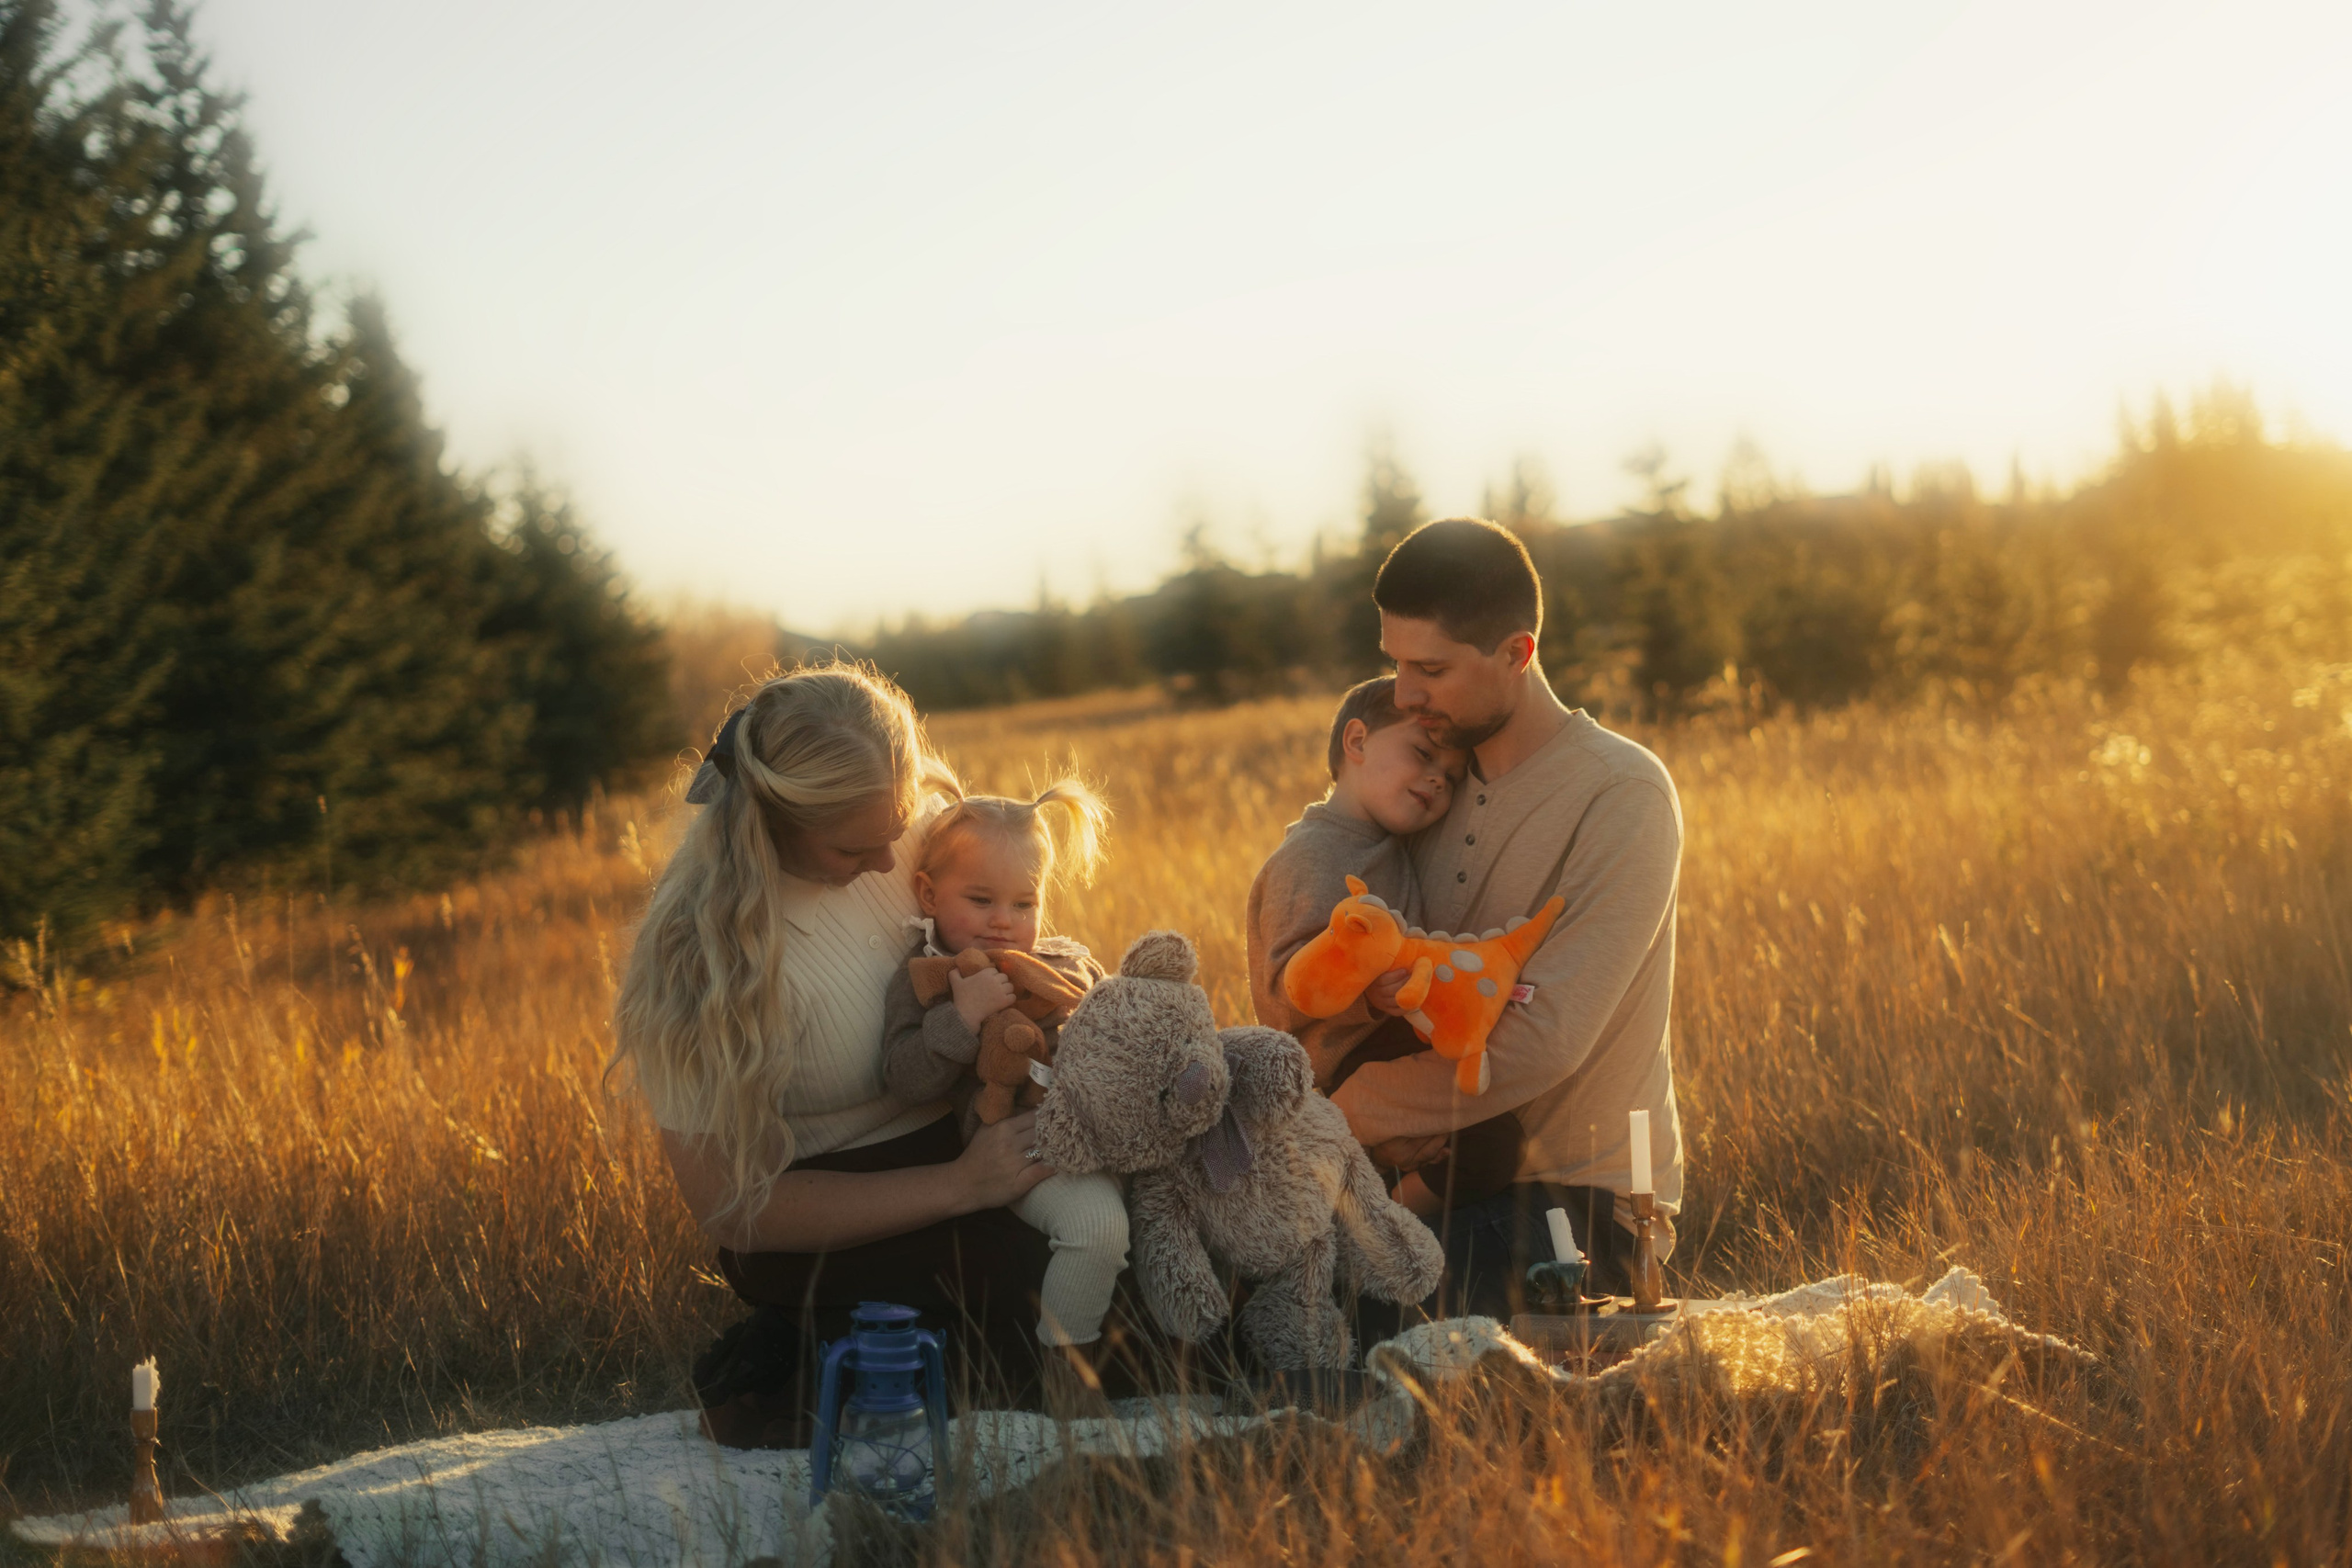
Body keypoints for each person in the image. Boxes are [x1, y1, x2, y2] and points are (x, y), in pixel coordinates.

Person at [610, 662, 1058, 1448]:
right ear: (779, 823)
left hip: (974, 1128)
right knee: (1054, 1294)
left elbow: (1014, 941)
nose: (889, 866)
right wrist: (961, 1183)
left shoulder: (915, 834)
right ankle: (805, 1355)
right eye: (856, 850)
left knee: (1137, 1225)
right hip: (836, 1207)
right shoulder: (697, 954)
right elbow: (731, 1205)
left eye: (899, 828)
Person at [1331, 519, 1685, 1322]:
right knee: (1246, 1310)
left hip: (1574, 1200)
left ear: (1518, 654)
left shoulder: (1621, 794)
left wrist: (1345, 1118)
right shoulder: (1427, 786)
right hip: (1419, 1180)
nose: (1404, 692)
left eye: (1431, 668)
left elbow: (1546, 1034)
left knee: (1365, 1324)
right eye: (1394, 664)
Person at [1244, 676, 1525, 1218]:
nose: (1436, 781)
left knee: (1491, 1137)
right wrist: (1369, 997)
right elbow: (1284, 992)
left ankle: (1383, 1212)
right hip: (1348, 1061)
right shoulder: (1312, 856)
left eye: (1451, 776)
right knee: (1491, 1142)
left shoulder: (1386, 844)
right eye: (1422, 754)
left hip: (1398, 1043)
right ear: (1357, 742)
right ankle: (1378, 1226)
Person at [878, 784, 1130, 1380]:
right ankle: (1068, 1371)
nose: (1003, 921)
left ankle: (1222, 1341)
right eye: (982, 898)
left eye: (1024, 903)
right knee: (1097, 1227)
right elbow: (901, 1079)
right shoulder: (926, 981)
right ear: (928, 893)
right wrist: (961, 1018)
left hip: (1111, 1132)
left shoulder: (1065, 962)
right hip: (1025, 1148)